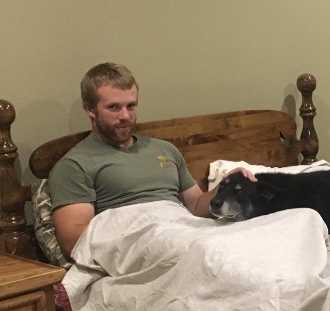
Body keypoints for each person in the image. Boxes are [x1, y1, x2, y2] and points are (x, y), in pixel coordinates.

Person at [48, 62, 254, 257]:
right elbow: (74, 242)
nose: (125, 116)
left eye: (131, 106)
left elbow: (196, 207)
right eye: (114, 107)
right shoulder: (75, 165)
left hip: (185, 233)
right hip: (141, 244)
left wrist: (225, 186)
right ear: (90, 110)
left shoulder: (164, 149)